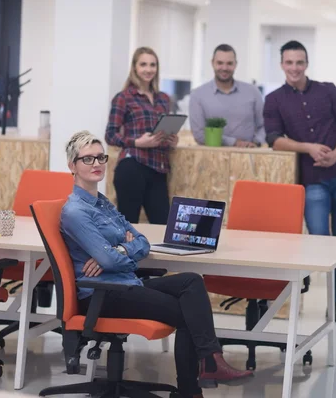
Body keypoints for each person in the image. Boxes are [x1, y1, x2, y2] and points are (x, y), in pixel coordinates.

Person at [60, 131, 254, 398]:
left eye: (101, 157)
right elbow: (107, 260)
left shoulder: (102, 203)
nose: (97, 164)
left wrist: (120, 249)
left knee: (191, 280)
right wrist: (115, 254)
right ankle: (194, 386)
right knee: (188, 313)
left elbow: (142, 242)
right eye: (88, 159)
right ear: (72, 166)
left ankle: (209, 363)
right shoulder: (76, 212)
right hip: (102, 294)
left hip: (126, 284)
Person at [263, 40, 336, 322]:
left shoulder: (328, 90)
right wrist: (308, 147)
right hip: (312, 179)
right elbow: (274, 140)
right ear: (282, 65)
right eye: (289, 62)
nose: (294, 68)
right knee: (322, 243)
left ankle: (334, 304)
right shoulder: (273, 100)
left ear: (306, 64)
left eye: (299, 62)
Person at [105, 47, 176, 225]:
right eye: (143, 64)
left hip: (158, 169)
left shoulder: (163, 99)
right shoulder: (124, 98)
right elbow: (110, 135)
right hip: (132, 167)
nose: (148, 69)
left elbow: (161, 132)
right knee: (128, 228)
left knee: (163, 227)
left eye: (153, 65)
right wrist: (137, 142)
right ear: (135, 67)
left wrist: (171, 140)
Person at [189, 44, 265, 148]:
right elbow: (199, 134)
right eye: (220, 63)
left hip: (249, 156)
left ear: (235, 64)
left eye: (229, 63)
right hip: (212, 158)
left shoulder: (253, 92)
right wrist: (234, 143)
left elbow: (264, 126)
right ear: (212, 63)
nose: (224, 68)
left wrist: (256, 142)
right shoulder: (197, 95)